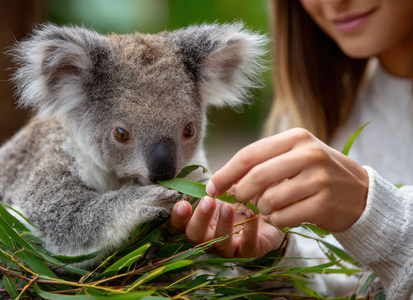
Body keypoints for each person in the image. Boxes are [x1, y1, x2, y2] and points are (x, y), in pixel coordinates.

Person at [170, 0, 413, 298]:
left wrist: (372, 214)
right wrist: (274, 259)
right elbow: (341, 283)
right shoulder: (313, 117)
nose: (335, 3)